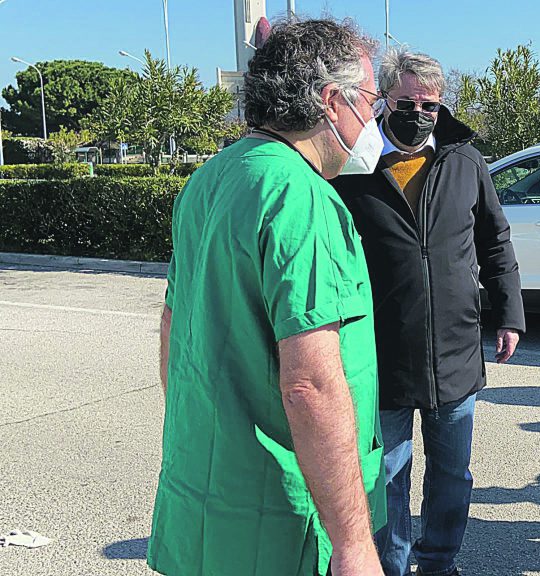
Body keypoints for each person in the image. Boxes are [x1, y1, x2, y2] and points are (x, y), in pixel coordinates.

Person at [148, 18, 386, 576]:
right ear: (332, 101)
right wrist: (352, 544)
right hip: (281, 516)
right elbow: (311, 383)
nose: (373, 118)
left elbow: (171, 327)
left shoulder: (211, 178)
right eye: (371, 100)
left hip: (206, 492)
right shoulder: (301, 197)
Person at [331, 48, 525, 576]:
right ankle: (390, 567)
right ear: (383, 102)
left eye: (430, 104)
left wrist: (508, 313)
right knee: (386, 475)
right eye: (406, 101)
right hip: (382, 350)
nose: (418, 113)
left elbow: (494, 238)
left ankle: (439, 562)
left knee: (453, 474)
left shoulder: (464, 159)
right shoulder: (353, 164)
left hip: (455, 350)